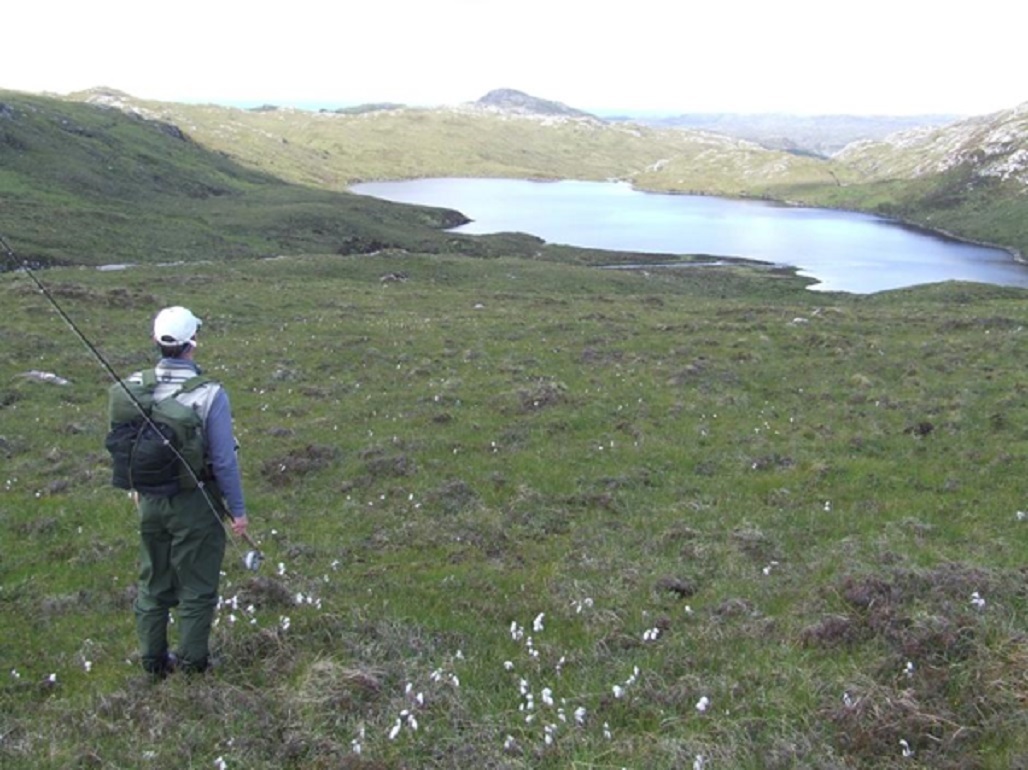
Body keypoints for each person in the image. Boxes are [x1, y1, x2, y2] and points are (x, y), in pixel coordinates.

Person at [131, 305, 249, 677]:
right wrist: (238, 510)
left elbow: (127, 444)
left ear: (156, 341)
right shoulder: (211, 394)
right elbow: (224, 460)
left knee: (153, 581)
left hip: (149, 500)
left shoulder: (136, 387)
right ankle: (193, 665)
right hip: (197, 504)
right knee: (197, 585)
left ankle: (153, 664)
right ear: (191, 345)